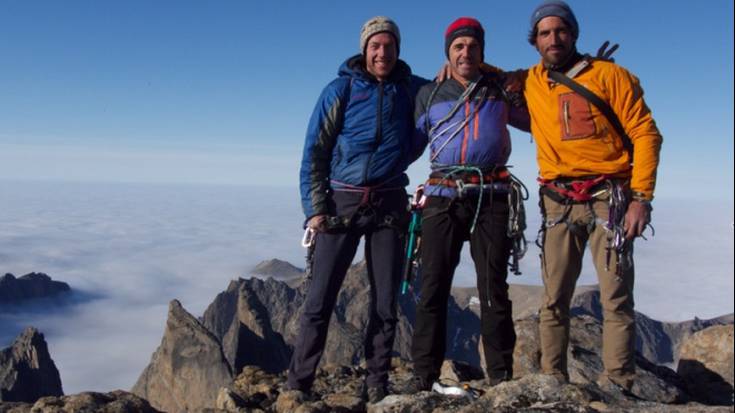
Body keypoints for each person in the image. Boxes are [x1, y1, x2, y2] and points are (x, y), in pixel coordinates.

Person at [524, 1, 663, 391]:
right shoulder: (531, 81)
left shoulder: (610, 76)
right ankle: (553, 379)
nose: (554, 38)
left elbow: (646, 134)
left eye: (561, 30)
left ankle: (618, 383)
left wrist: (642, 198)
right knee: (553, 299)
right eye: (545, 32)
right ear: (534, 41)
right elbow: (484, 74)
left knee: (616, 298)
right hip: (558, 201)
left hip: (610, 199)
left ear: (574, 33)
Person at [290, 16, 426, 403]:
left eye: (389, 46)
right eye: (375, 46)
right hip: (341, 202)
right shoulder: (340, 90)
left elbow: (446, 90)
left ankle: (377, 384)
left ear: (398, 50)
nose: (382, 52)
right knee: (319, 301)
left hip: (388, 202)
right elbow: (314, 152)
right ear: (365, 50)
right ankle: (298, 385)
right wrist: (314, 209)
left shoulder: (411, 89)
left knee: (385, 302)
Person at [408, 17, 531, 391]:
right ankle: (424, 374)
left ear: (483, 51)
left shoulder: (499, 88)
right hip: (443, 197)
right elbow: (413, 142)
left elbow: (534, 96)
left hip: (491, 196)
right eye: (458, 47)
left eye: (473, 46)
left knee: (493, 287)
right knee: (432, 287)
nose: (466, 52)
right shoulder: (428, 93)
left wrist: (494, 72)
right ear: (448, 52)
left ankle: (500, 375)